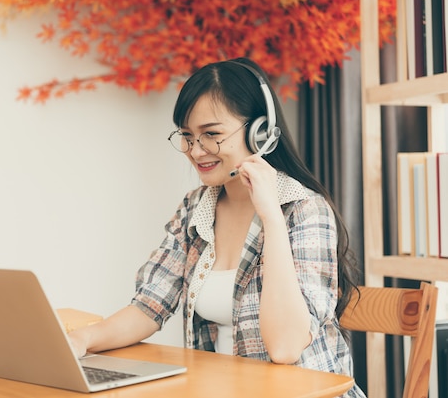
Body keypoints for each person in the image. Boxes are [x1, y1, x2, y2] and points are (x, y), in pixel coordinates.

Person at [68, 57, 366, 397]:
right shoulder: (196, 208)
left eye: (212, 134)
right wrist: (82, 339)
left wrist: (270, 213)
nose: (196, 151)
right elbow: (149, 306)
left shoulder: (305, 210)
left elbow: (286, 347)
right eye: (187, 136)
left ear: (261, 133)